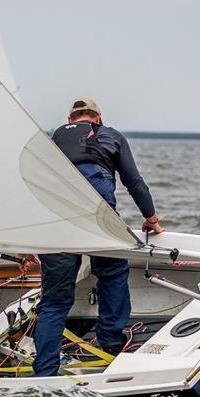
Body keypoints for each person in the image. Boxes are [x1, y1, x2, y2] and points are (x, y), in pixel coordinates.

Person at [33, 97, 165, 377]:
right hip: (98, 219)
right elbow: (135, 183)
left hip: (56, 224)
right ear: (98, 118)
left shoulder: (53, 140)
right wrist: (151, 219)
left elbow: (34, 185)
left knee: (55, 301)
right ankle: (111, 349)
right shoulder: (111, 136)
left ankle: (44, 372)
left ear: (70, 120)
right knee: (113, 273)